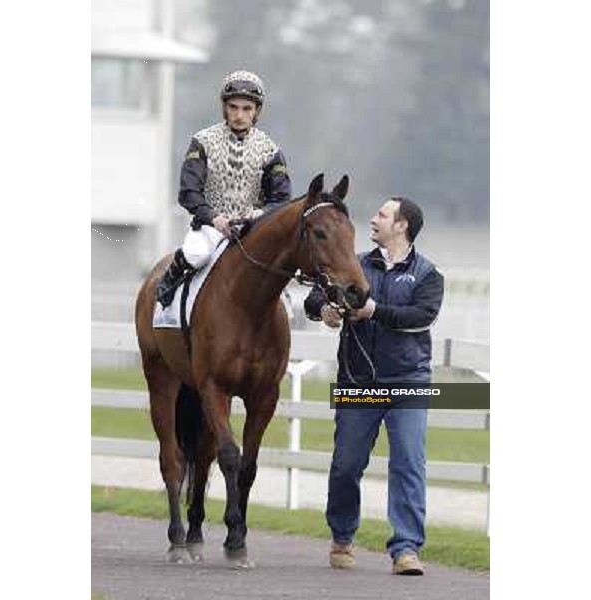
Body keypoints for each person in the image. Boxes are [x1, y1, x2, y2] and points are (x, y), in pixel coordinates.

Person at [304, 197, 444, 575]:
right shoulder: (356, 263)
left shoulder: (429, 275)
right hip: (358, 380)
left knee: (409, 464)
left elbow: (420, 317)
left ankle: (406, 549)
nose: (374, 218)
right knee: (346, 465)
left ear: (402, 226)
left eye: (383, 214)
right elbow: (314, 296)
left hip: (408, 383)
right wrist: (325, 311)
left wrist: (373, 312)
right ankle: (342, 536)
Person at [156, 70, 292, 308]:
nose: (239, 115)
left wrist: (259, 215)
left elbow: (281, 199)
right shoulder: (202, 141)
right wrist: (215, 219)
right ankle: (168, 291)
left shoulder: (271, 150)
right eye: (233, 107)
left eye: (247, 108)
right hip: (211, 227)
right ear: (224, 107)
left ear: (257, 111)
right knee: (196, 254)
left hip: (252, 229)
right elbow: (188, 192)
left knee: (277, 273)